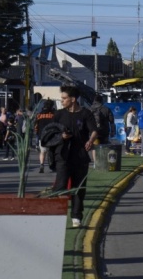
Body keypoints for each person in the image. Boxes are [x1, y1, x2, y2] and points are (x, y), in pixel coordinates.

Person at [52, 85, 98, 228]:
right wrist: (61, 136)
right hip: (63, 156)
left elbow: (94, 130)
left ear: (73, 99)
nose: (62, 101)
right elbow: (50, 133)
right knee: (60, 186)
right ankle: (55, 215)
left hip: (80, 156)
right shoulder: (59, 114)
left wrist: (90, 141)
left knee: (79, 187)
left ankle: (76, 216)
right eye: (62, 98)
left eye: (64, 98)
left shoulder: (85, 114)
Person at [34, 99, 55, 173]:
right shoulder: (54, 114)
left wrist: (37, 133)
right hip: (51, 136)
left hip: (42, 136)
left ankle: (42, 164)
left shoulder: (39, 115)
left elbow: (36, 126)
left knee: (42, 152)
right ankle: (51, 165)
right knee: (51, 151)